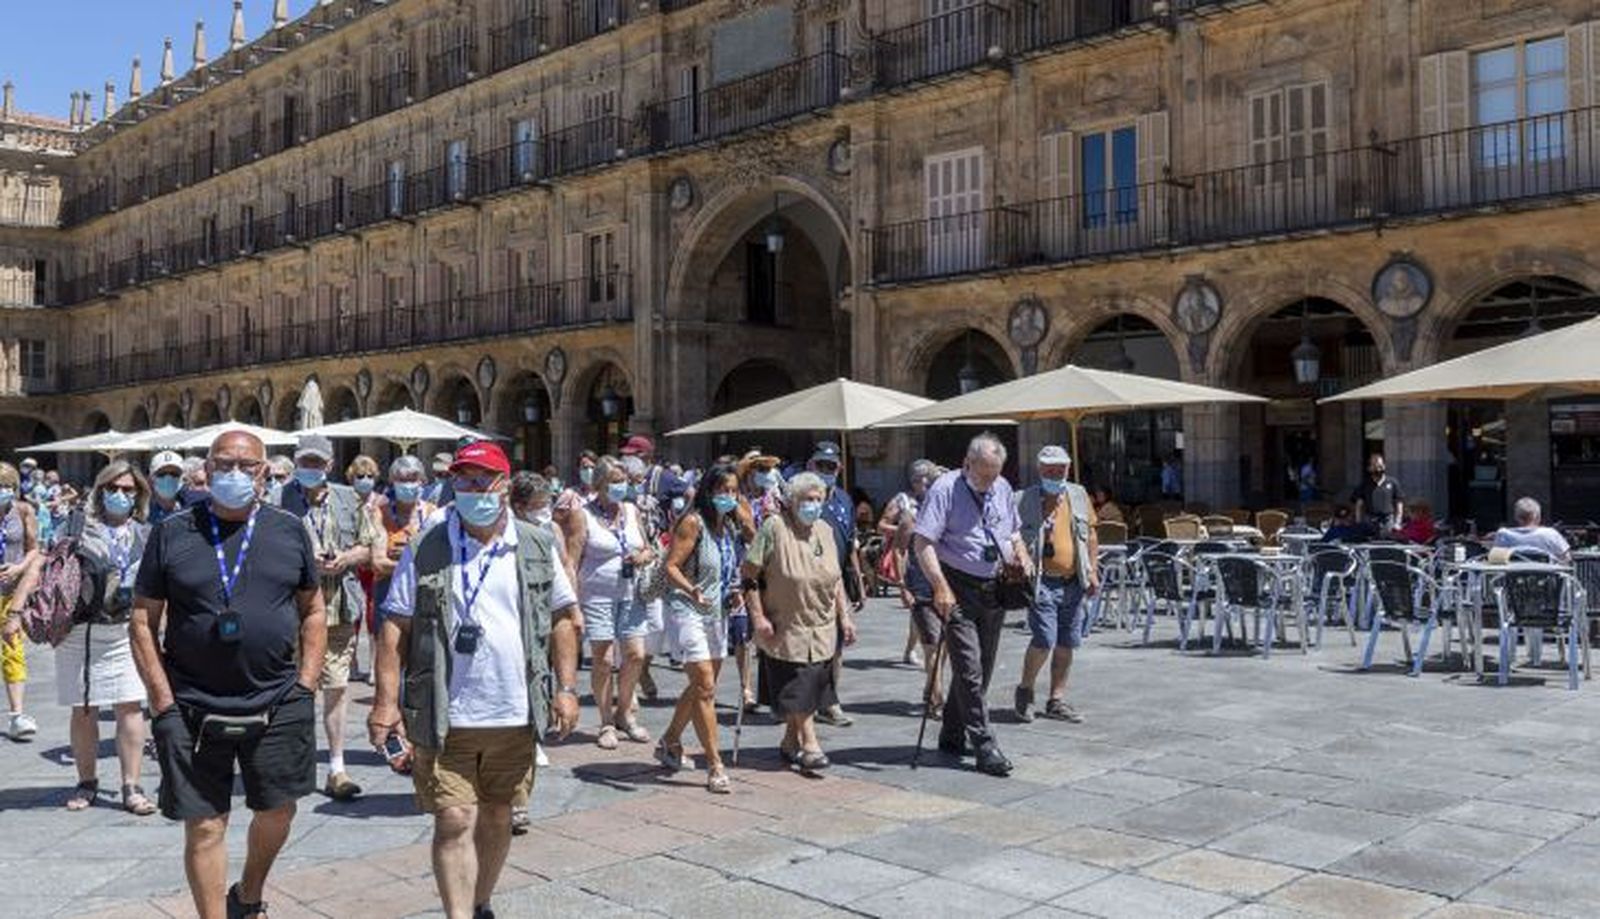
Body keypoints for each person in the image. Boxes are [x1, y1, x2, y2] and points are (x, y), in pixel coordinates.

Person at [371, 442, 581, 919]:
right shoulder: (428, 543)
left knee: (498, 814)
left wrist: (566, 689)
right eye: (462, 479)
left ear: (503, 486)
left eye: (481, 479)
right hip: (446, 710)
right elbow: (394, 625)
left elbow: (565, 618)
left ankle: (480, 900)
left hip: (514, 706)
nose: (470, 489)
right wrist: (387, 702)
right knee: (453, 818)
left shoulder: (535, 542)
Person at [131, 430, 325, 919]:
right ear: (207, 469)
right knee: (204, 824)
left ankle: (250, 892)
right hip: (192, 703)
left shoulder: (288, 528)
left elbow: (314, 609)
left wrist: (306, 684)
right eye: (223, 464)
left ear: (263, 472)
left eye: (246, 466)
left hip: (279, 698)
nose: (234, 474)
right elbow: (141, 621)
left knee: (278, 810)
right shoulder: (173, 532)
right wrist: (163, 703)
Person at [912, 433, 1034, 777]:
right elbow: (923, 542)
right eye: (983, 475)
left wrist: (1021, 556)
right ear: (967, 464)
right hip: (957, 586)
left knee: (984, 666)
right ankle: (984, 743)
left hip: (994, 585)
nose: (989, 482)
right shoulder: (945, 489)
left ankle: (952, 734)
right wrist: (940, 587)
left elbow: (1012, 532)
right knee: (969, 667)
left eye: (995, 474)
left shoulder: (1003, 488)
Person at [279, 434, 379, 801]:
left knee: (336, 687)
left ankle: (337, 767)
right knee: (291, 685)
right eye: (304, 462)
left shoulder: (349, 498)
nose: (310, 469)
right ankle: (292, 762)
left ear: (330, 465)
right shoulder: (278, 499)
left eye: (317, 463)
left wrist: (345, 559)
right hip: (291, 610)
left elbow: (370, 546)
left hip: (339, 607)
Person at [58, 460, 157, 815]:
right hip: (81, 631)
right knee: (84, 708)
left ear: (139, 494)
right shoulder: (78, 527)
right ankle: (87, 782)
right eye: (112, 489)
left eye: (128, 489)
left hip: (126, 630)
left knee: (130, 705)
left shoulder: (145, 534)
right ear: (100, 492)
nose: (120, 495)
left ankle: (131, 785)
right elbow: (54, 567)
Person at [742, 472, 856, 773]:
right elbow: (749, 575)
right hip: (785, 626)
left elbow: (835, 579)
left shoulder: (826, 530)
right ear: (792, 501)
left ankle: (790, 742)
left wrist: (845, 617)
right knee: (800, 687)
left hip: (822, 627)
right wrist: (757, 616)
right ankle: (810, 745)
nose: (813, 505)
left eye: (818, 499)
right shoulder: (774, 528)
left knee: (812, 687)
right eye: (807, 499)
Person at [657, 464, 740, 794]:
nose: (729, 497)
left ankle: (671, 739)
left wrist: (733, 592)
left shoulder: (727, 527)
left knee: (701, 687)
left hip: (716, 612)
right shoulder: (693, 523)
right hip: (687, 609)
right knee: (704, 685)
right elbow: (671, 566)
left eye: (734, 491)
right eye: (723, 490)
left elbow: (726, 570)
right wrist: (691, 589)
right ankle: (715, 764)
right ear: (709, 490)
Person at [563, 455, 655, 749]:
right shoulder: (583, 515)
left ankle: (624, 712)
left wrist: (643, 556)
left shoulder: (631, 510)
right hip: (597, 595)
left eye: (623, 481)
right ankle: (605, 722)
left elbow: (649, 547)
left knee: (636, 655)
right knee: (602, 659)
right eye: (615, 482)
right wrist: (572, 605)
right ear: (600, 484)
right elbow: (572, 561)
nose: (621, 487)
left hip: (631, 592)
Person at [1014, 447, 1097, 725]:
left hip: (1074, 580)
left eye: (1059, 469)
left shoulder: (1078, 495)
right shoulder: (1023, 499)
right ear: (1039, 470)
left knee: (1067, 642)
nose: (1054, 474)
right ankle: (1025, 690)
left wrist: (1093, 570)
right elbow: (1010, 536)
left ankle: (1056, 699)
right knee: (1044, 639)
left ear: (1067, 469)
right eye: (1049, 469)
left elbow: (1091, 534)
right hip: (1041, 581)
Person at [808, 441, 863, 728]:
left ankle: (830, 701)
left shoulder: (844, 499)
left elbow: (851, 542)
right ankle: (807, 700)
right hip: (809, 581)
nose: (827, 471)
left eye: (831, 466)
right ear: (811, 466)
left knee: (838, 643)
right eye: (821, 466)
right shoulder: (805, 499)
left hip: (838, 579)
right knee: (811, 644)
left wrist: (859, 580)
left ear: (840, 468)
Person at [892, 463, 947, 718]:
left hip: (949, 588)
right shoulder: (912, 516)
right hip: (921, 588)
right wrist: (903, 586)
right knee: (932, 646)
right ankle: (937, 700)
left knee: (944, 646)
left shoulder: (953, 515)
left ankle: (930, 688)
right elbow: (899, 550)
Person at [732, 450, 783, 713]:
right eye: (759, 469)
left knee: (771, 626)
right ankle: (746, 687)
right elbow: (750, 531)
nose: (766, 474)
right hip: (745, 566)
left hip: (771, 570)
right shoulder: (738, 498)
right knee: (744, 633)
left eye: (768, 469)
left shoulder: (775, 498)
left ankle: (770, 687)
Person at [880, 459, 940, 666]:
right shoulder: (903, 500)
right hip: (912, 563)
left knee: (921, 615)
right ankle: (916, 651)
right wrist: (905, 530)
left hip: (936, 567)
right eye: (916, 480)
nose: (920, 484)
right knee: (920, 612)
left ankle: (912, 649)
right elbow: (882, 524)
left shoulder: (938, 501)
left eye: (925, 480)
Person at [0, 462, 41, 741]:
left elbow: (34, 550)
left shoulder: (23, 511)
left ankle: (17, 716)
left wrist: (18, 568)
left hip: (11, 594)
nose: (3, 491)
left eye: (8, 486)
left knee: (12, 651)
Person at [1493, 497, 1571, 562]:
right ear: (1538, 517)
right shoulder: (1550, 533)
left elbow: (1496, 559)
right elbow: (1566, 558)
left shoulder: (1503, 534)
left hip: (1513, 578)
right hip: (1547, 578)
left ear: (1516, 517)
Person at [1353, 454, 1403, 532]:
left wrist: (1397, 522)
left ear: (1384, 466)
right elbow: (1359, 505)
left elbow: (1399, 504)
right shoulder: (1364, 484)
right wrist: (1359, 522)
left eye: (1380, 465)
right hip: (1370, 520)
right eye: (1374, 466)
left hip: (1388, 521)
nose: (1377, 468)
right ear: (1369, 468)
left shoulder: (1393, 483)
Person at [148, 450, 189, 525]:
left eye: (174, 474)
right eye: (162, 474)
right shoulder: (143, 516)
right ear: (151, 479)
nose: (168, 478)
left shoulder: (189, 512)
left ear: (182, 479)